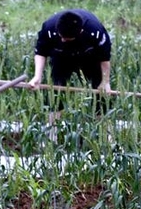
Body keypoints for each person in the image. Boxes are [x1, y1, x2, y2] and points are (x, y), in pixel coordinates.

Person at [28, 9, 112, 138]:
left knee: (101, 96)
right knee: (55, 92)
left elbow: (104, 59)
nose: (62, 39)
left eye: (66, 38)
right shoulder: (49, 27)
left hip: (89, 57)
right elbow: (41, 52)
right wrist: (37, 76)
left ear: (80, 32)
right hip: (61, 57)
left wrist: (105, 82)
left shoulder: (95, 31)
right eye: (61, 36)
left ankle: (105, 136)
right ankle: (52, 137)